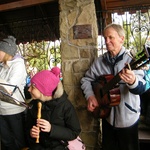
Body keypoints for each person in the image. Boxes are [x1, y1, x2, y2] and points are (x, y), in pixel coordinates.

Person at [81, 23, 147, 150]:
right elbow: (86, 79)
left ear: (122, 39)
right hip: (107, 117)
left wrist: (133, 81)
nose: (107, 41)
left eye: (111, 37)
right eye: (105, 38)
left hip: (128, 120)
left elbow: (142, 87)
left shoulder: (132, 60)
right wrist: (90, 96)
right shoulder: (100, 61)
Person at [25, 67, 81, 150]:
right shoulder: (33, 105)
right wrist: (31, 133)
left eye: (33, 87)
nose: (29, 89)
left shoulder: (65, 106)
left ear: (43, 90)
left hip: (60, 147)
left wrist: (52, 129)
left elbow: (74, 132)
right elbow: (27, 127)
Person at [0, 36, 27, 150]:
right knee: (6, 142)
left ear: (6, 52)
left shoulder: (18, 65)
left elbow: (9, 88)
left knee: (19, 142)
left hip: (14, 111)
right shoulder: (2, 66)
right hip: (1, 110)